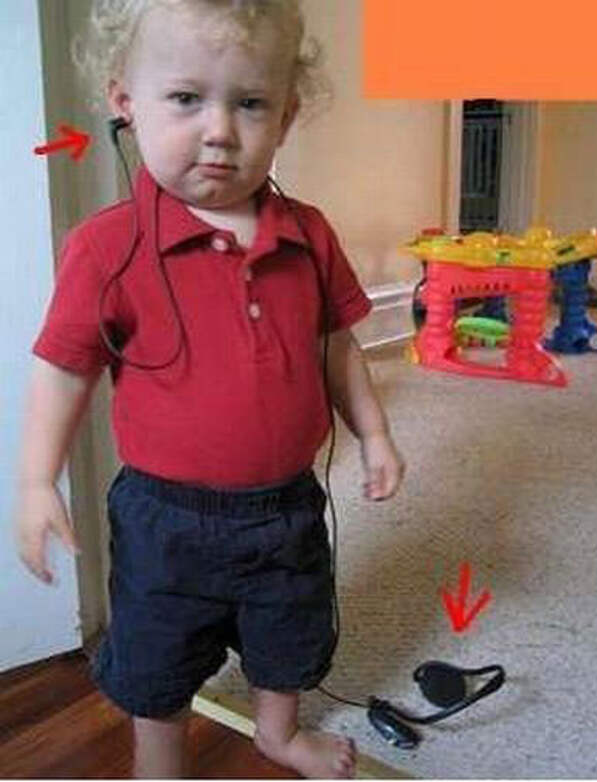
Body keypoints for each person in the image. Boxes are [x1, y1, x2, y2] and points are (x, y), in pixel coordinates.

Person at [15, 0, 405, 777]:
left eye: (250, 103)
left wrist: (375, 432)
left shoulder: (309, 234)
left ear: (285, 117)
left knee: (288, 633)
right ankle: (159, 768)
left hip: (287, 505)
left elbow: (336, 344)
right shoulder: (107, 248)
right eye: (187, 98)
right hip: (166, 520)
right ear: (126, 101)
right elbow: (64, 368)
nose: (220, 130)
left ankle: (277, 733)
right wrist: (34, 481)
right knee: (156, 660)